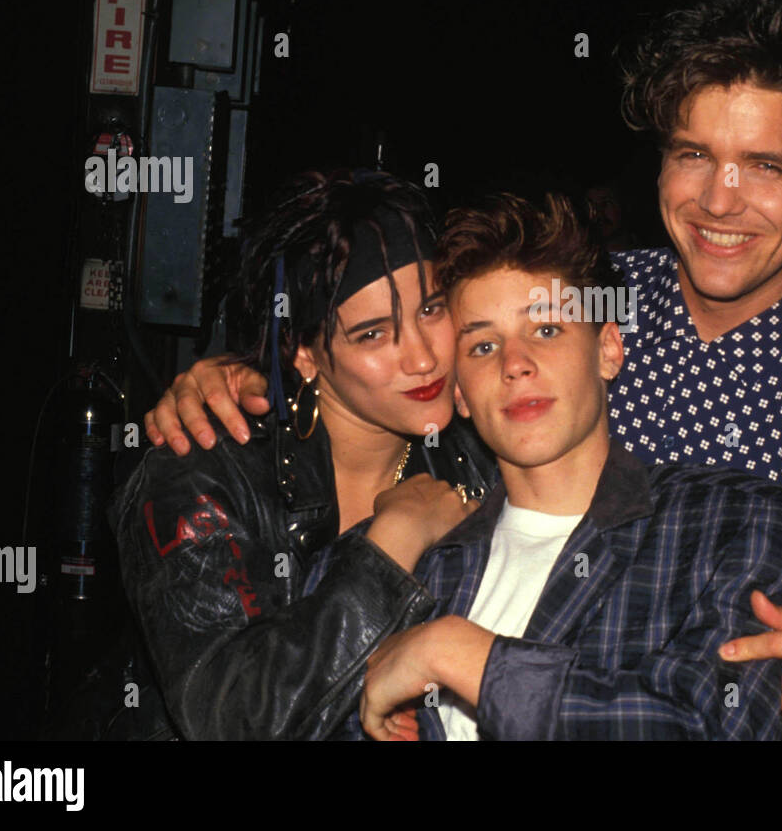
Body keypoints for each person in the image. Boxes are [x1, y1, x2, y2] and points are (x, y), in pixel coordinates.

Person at [145, 0, 782, 739]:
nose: (720, 199)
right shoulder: (574, 299)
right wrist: (246, 371)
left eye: (765, 166)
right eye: (693, 154)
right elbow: (401, 345)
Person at [359, 192, 782, 740]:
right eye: (483, 347)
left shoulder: (739, 524)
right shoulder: (419, 554)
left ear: (608, 349)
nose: (515, 365)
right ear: (459, 393)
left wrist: (454, 654)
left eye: (547, 330)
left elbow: (704, 725)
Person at [107, 169, 494, 739]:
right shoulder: (204, 468)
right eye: (372, 334)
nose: (421, 358)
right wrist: (390, 547)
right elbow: (232, 719)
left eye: (431, 310)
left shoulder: (476, 456)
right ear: (306, 355)